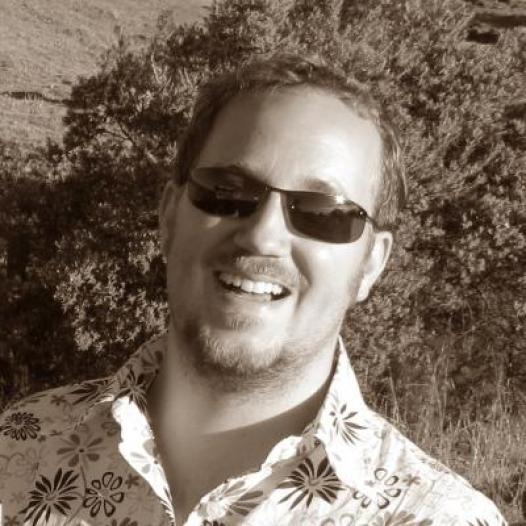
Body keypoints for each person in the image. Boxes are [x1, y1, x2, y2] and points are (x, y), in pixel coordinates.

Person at [0, 54, 506, 526]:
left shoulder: (440, 517)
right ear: (170, 215)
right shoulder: (18, 449)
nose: (263, 235)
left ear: (372, 263)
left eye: (323, 213)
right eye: (229, 191)